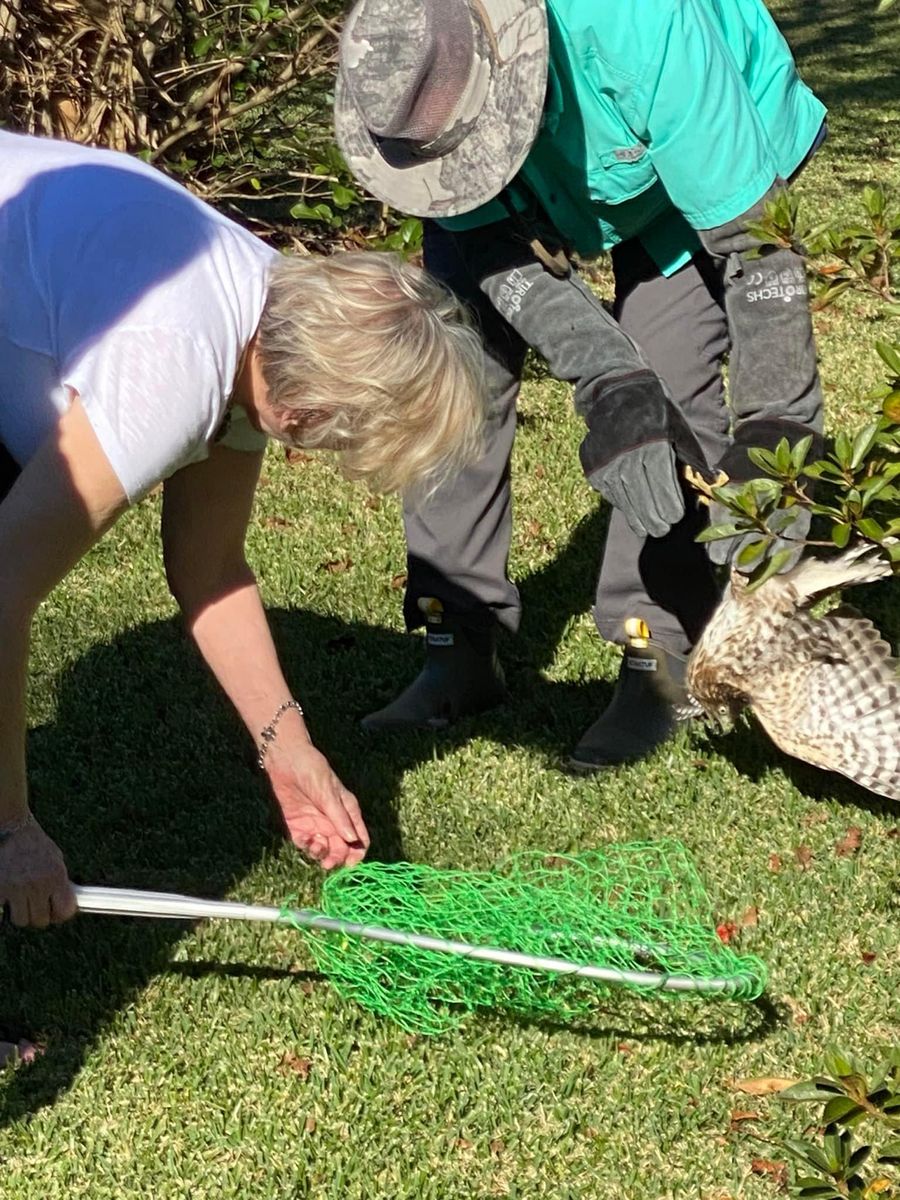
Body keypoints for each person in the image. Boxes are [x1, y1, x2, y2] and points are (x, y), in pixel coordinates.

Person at [0, 129, 486, 945]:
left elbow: (209, 568)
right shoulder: (174, 365)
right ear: (307, 410)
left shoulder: (270, 313)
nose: (328, 454)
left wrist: (288, 752)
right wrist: (12, 833)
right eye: (342, 440)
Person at [333, 0, 827, 769]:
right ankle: (457, 640)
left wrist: (777, 428)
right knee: (453, 365)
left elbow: (759, 254)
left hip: (698, 165)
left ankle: (654, 656)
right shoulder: (411, 52)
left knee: (670, 378)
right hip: (537, 183)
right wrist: (603, 373)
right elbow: (493, 246)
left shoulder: (642, 28)